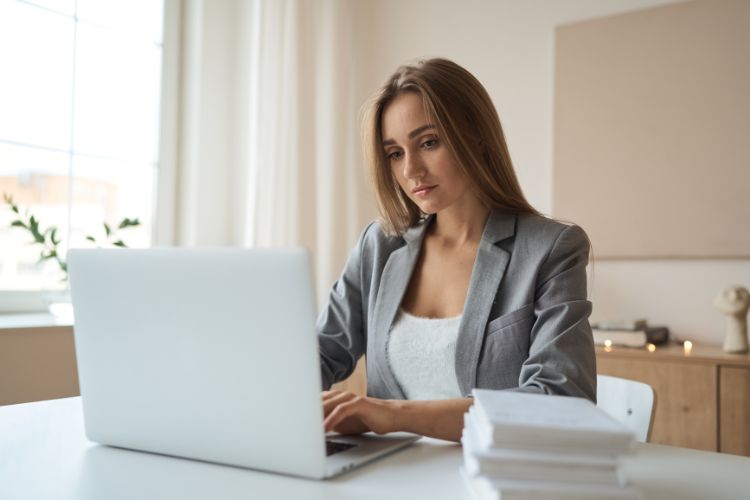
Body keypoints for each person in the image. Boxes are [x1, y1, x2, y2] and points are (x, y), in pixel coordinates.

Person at [318, 58, 595, 443]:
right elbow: (319, 353)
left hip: (492, 480)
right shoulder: (379, 246)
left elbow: (561, 400)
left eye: (428, 143)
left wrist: (393, 415)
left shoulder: (551, 249)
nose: (411, 170)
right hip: (385, 478)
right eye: (395, 153)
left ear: (476, 137)